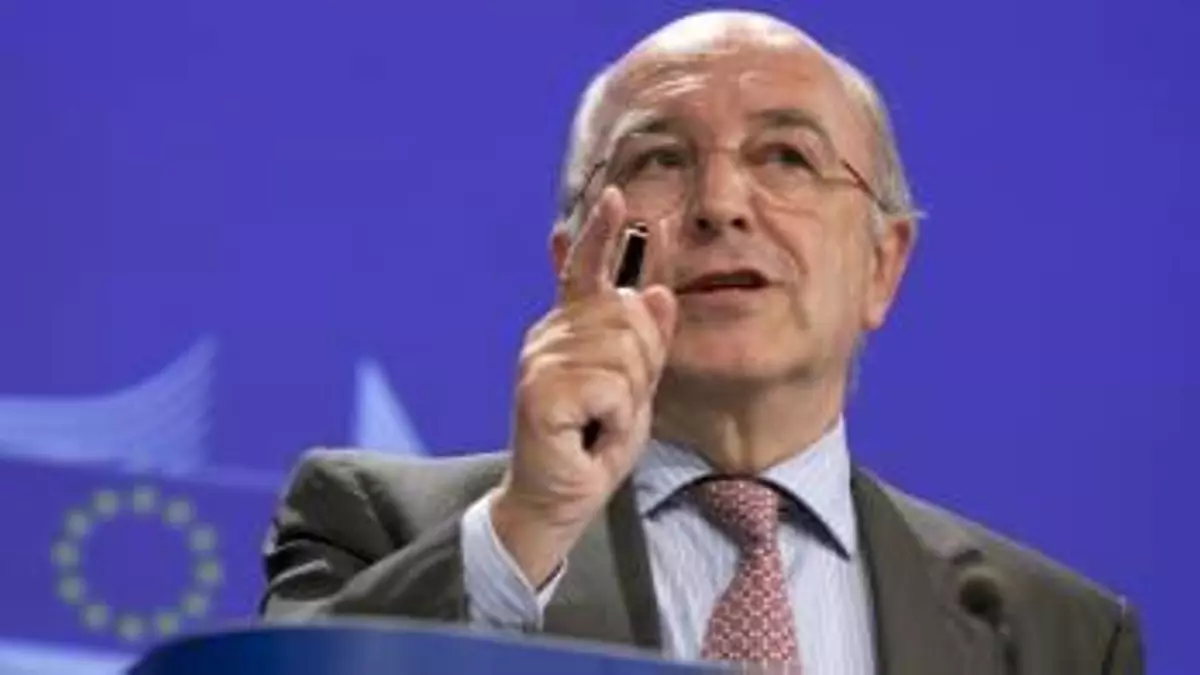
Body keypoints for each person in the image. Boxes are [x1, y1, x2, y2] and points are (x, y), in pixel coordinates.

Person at [259, 10, 1144, 674]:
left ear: (883, 264)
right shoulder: (372, 523)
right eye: (660, 160)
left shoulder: (1058, 635)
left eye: (787, 157)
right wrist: (528, 526)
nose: (720, 204)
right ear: (578, 263)